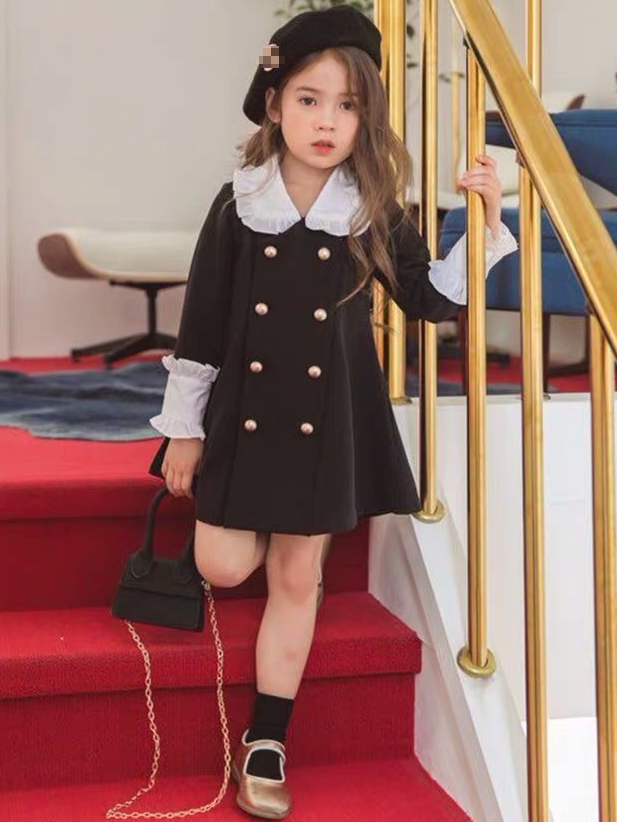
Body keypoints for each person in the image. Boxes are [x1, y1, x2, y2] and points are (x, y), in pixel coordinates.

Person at [148, 5, 518, 819]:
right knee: (222, 564)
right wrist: (183, 431)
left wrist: (484, 221)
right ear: (273, 103)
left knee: (294, 576)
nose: (326, 122)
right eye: (309, 100)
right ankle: (271, 542)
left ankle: (266, 740)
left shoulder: (370, 203)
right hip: (245, 414)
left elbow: (427, 299)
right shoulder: (238, 202)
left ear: (365, 119)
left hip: (326, 420)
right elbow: (201, 324)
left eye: (346, 106)